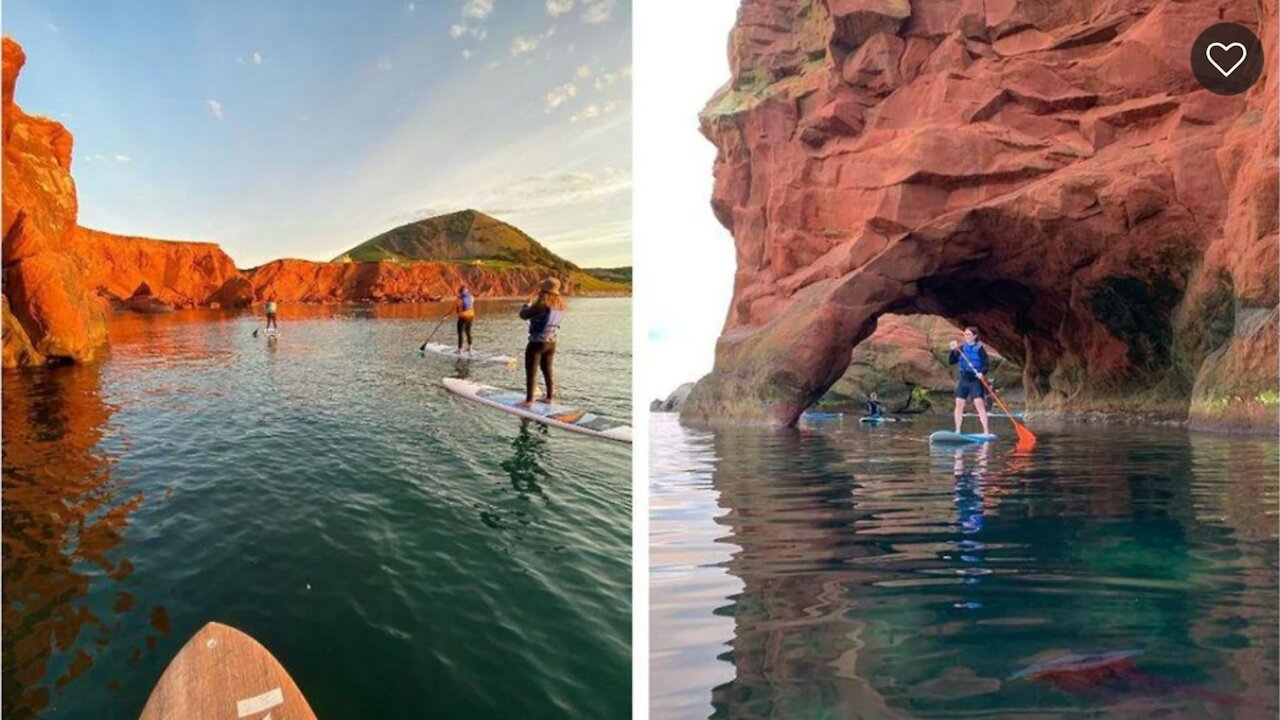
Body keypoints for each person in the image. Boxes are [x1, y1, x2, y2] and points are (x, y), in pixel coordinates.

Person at [518, 278, 566, 406]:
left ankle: (528, 401)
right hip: (551, 343)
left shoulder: (540, 305)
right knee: (547, 370)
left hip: (536, 344)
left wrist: (526, 305)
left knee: (531, 372)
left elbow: (523, 315)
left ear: (543, 291)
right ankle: (549, 398)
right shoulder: (561, 305)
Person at [949, 326, 991, 435]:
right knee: (959, 404)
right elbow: (951, 361)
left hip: (975, 380)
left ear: (974, 336)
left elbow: (986, 364)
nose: (966, 337)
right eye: (965, 334)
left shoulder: (980, 349)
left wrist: (982, 372)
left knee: (979, 404)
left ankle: (986, 431)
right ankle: (957, 430)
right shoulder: (961, 348)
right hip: (964, 379)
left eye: (968, 335)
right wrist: (953, 350)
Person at [454, 285, 475, 353]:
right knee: (468, 332)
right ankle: (470, 347)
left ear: (460, 292)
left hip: (463, 317)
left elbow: (453, 308)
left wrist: (446, 315)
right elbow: (471, 304)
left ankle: (460, 349)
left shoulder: (459, 299)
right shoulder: (471, 297)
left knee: (460, 333)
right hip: (471, 316)